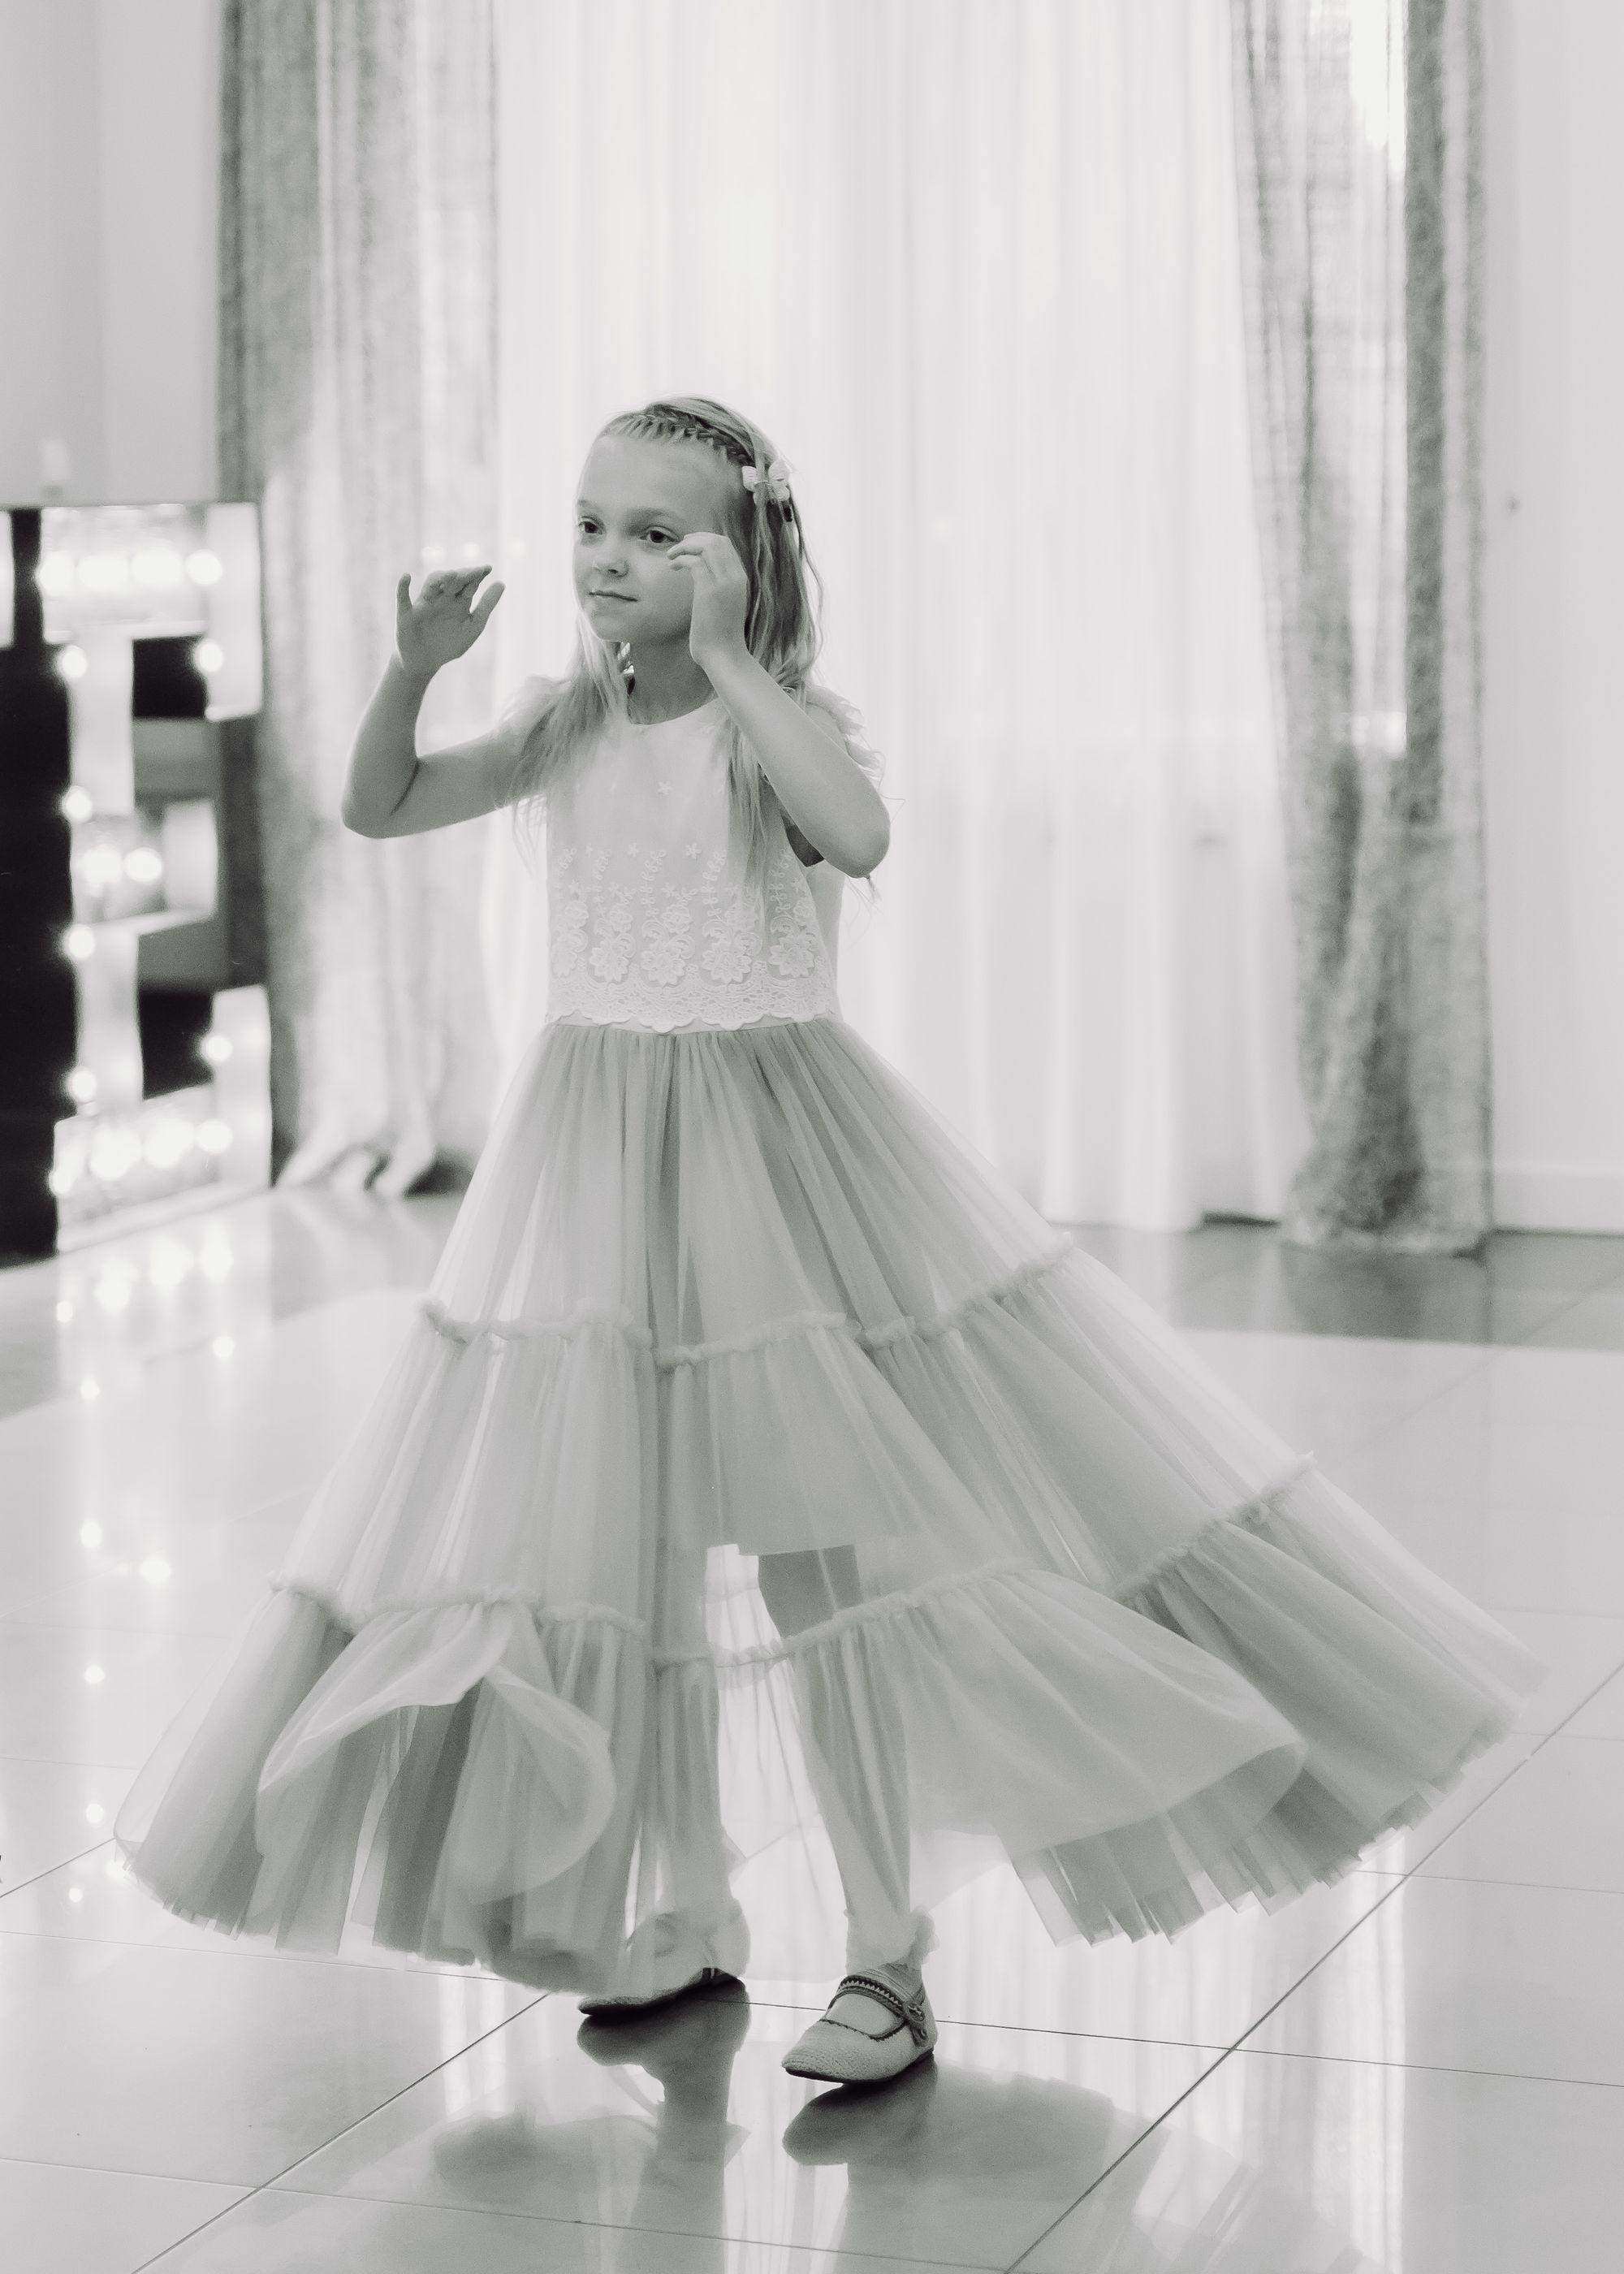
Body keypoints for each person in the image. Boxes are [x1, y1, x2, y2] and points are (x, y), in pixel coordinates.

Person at [114, 395, 1545, 2090]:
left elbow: (856, 833)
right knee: (624, 1558)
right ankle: (683, 1906)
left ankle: (887, 1950)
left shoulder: (766, 727)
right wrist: (410, 668)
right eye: (591, 523)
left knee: (823, 1576)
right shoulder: (566, 723)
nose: (608, 558)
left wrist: (733, 664)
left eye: (657, 533)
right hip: (594, 1176)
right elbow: (384, 803)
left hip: (777, 1173)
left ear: (741, 558)